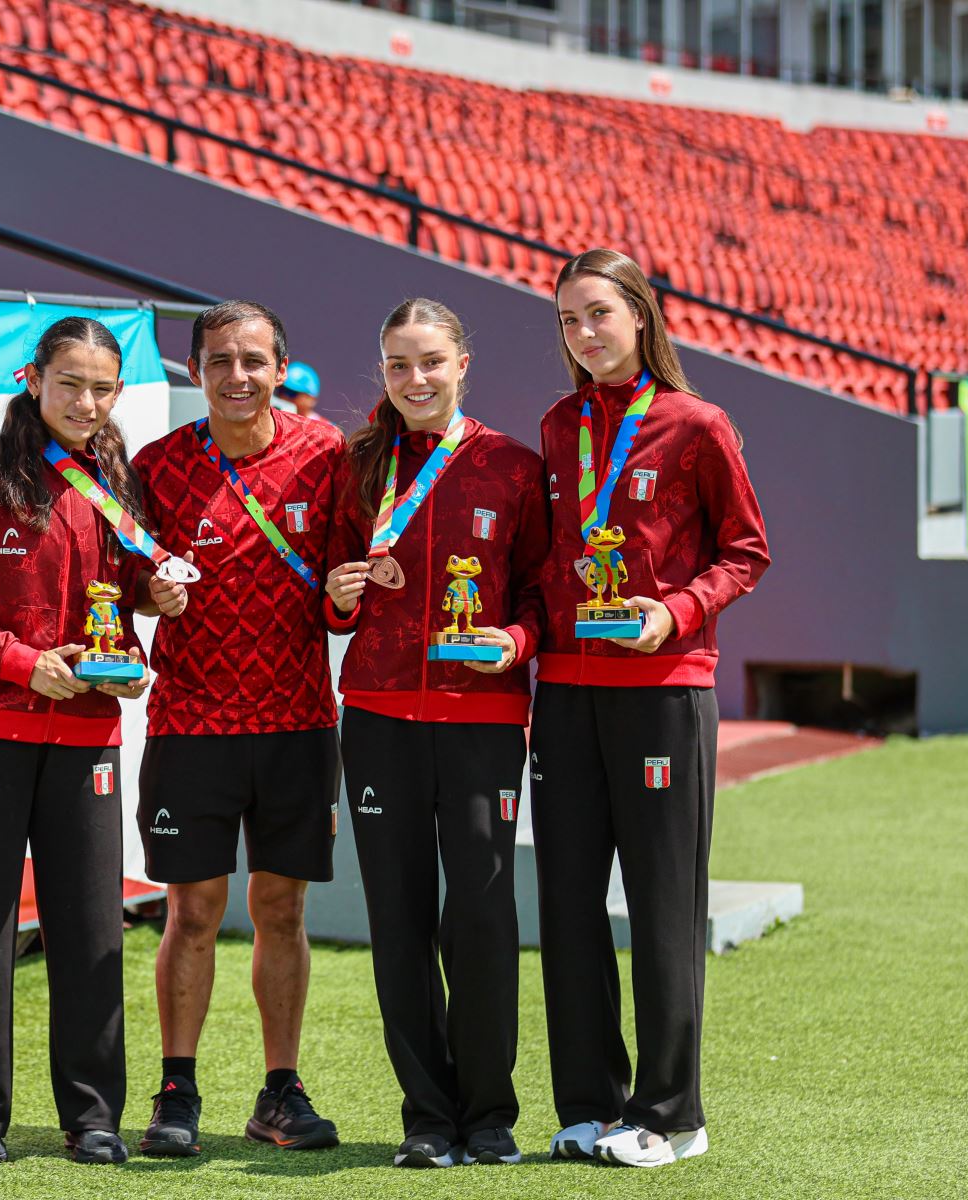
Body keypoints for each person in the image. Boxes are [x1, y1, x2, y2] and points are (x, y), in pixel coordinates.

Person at [0, 315, 181, 1167]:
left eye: (103, 387)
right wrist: (23, 664)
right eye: (71, 382)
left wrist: (149, 616)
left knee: (91, 928)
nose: (87, 401)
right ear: (33, 379)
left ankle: (93, 1116)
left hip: (89, 732)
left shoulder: (116, 476)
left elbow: (125, 591)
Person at [533, 248, 770, 1169]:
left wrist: (672, 612)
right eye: (566, 320)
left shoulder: (698, 424)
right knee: (567, 905)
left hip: (664, 692)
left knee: (665, 905)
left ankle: (674, 1113)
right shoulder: (558, 426)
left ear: (640, 313)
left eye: (597, 313)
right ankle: (592, 1104)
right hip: (564, 692)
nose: (584, 333)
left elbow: (747, 552)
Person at [323, 297, 548, 1169]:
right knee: (399, 917)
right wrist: (338, 596)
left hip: (483, 719)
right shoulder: (359, 465)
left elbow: (538, 591)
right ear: (383, 373)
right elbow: (332, 597)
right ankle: (426, 1114)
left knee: (484, 914)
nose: (414, 380)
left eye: (430, 363)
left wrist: (517, 642)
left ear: (463, 365)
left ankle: (489, 1113)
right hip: (378, 716)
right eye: (397, 366)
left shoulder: (513, 468)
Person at [130, 301, 345, 1158]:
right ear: (194, 371)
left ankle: (279, 1091)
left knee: (282, 910)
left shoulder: (328, 456)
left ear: (281, 367)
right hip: (191, 720)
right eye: (220, 361)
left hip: (296, 719)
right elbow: (128, 583)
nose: (238, 376)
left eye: (255, 360)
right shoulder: (156, 466)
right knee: (192, 911)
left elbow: (343, 582)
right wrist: (153, 597)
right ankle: (176, 1088)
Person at [271, 359, 333, 425]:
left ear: (311, 400)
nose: (284, 397)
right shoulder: (270, 419)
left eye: (291, 393)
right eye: (281, 390)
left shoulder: (326, 430)